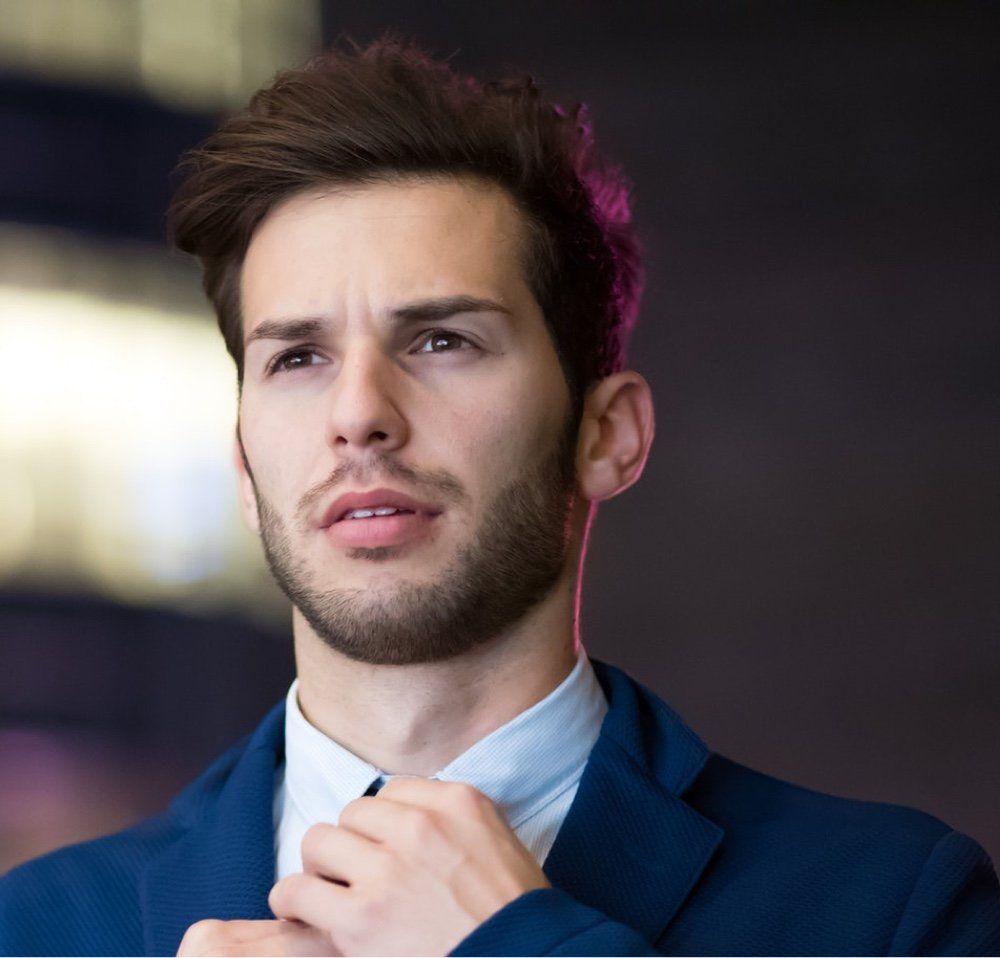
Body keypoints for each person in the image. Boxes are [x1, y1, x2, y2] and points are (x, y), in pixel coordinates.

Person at [2, 37, 998, 958]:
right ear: (244, 466)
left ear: (606, 434)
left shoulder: (894, 907)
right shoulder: (36, 927)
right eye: (298, 356)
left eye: (441, 340)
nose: (358, 414)